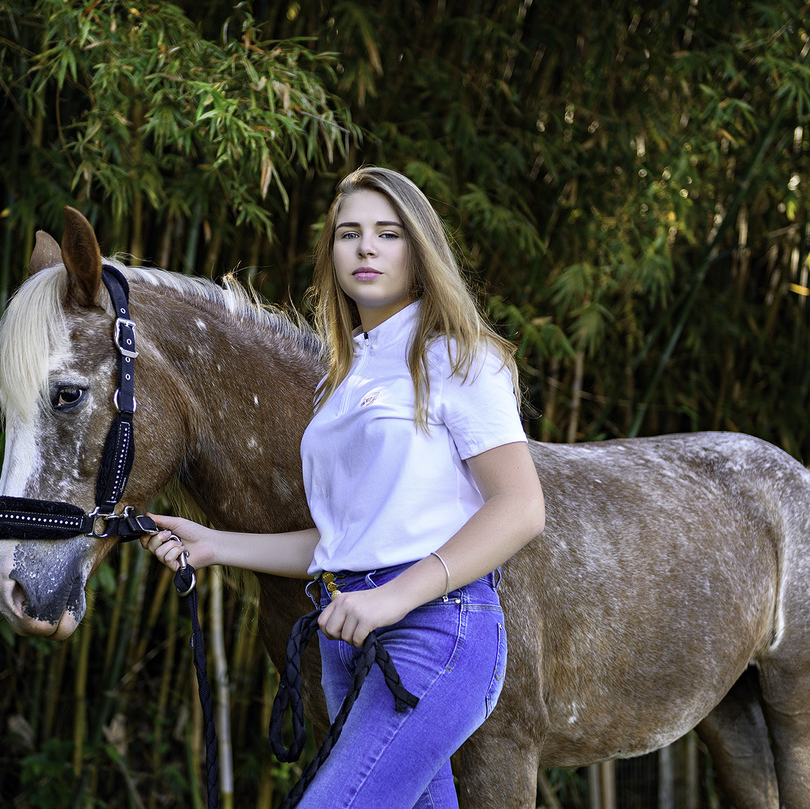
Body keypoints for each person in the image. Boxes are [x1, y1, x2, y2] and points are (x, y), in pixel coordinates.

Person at [141, 166, 545, 808]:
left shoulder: (459, 358)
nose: (365, 247)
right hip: (345, 641)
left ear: (420, 252)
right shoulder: (344, 380)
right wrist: (216, 544)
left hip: (435, 633)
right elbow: (343, 540)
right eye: (348, 233)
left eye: (388, 233)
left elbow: (521, 507)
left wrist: (392, 599)